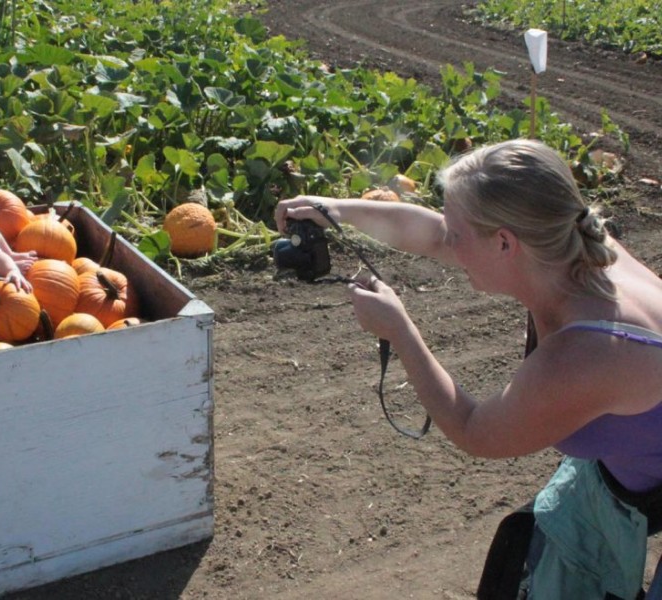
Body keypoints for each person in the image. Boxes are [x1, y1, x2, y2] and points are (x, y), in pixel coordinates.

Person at [274, 138, 662, 599]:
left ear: (504, 242)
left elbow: (475, 430)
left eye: (459, 235)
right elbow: (435, 235)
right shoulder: (577, 247)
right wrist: (334, 209)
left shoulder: (585, 357)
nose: (447, 243)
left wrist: (399, 330)